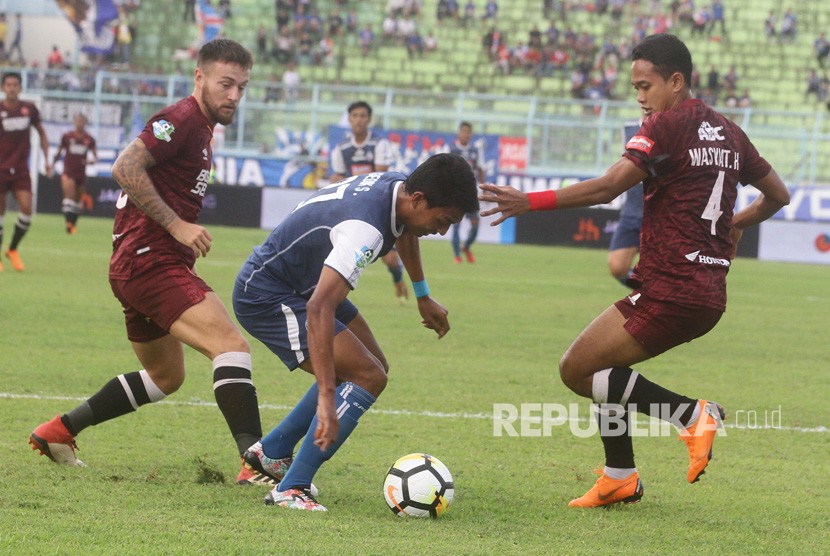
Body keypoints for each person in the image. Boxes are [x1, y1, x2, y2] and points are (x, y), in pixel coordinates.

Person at [479, 34, 790, 508]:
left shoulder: (664, 126)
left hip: (671, 287)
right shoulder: (729, 131)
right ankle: (619, 476)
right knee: (609, 370)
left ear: (676, 81)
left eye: (646, 86)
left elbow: (608, 188)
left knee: (577, 369)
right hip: (708, 292)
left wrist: (530, 201)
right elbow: (779, 195)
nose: (640, 97)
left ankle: (691, 416)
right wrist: (735, 223)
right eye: (635, 88)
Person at [29, 38, 273, 486]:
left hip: (135, 266)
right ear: (199, 77)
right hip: (150, 262)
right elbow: (125, 166)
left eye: (241, 86)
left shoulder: (201, 129)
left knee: (166, 375)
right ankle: (257, 465)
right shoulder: (180, 119)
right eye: (225, 84)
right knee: (232, 347)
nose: (234, 96)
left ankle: (58, 431)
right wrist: (177, 224)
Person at [234, 153, 479, 511]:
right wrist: (326, 396)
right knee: (366, 377)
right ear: (419, 200)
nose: (442, 231)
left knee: (375, 364)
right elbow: (319, 308)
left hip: (304, 282)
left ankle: (272, 452)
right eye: (442, 221)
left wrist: (422, 294)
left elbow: (406, 229)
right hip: (269, 294)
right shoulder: (365, 228)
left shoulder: (399, 188)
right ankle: (292, 488)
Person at [330, 100, 408, 302]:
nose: (358, 120)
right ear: (349, 119)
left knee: (390, 259)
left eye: (363, 116)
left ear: (369, 119)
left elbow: (380, 177)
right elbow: (338, 176)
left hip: (377, 205)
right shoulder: (341, 148)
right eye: (354, 116)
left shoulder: (378, 144)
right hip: (353, 206)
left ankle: (398, 277)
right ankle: (332, 295)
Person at [0, 71, 51, 273]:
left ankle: (12, 249)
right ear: (3, 88)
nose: (12, 88)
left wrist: (47, 160)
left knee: (27, 210)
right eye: (8, 84)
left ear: (20, 87)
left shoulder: (29, 109)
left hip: (21, 170)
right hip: (0, 169)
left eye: (15, 84)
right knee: (1, 214)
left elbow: (42, 133)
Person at [608, 122, 643, 287]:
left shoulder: (672, 127)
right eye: (640, 93)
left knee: (661, 267)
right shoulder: (629, 128)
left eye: (647, 93)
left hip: (661, 212)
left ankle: (660, 302)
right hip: (632, 210)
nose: (642, 98)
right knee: (617, 266)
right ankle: (652, 295)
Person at [52, 113, 98, 234]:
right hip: (68, 172)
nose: (79, 123)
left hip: (81, 174)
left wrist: (90, 161)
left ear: (85, 123)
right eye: (77, 121)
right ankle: (68, 223)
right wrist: (52, 163)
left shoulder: (89, 139)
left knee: (78, 201)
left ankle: (72, 224)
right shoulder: (67, 137)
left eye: (82, 121)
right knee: (70, 195)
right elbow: (59, 151)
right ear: (74, 122)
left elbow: (95, 157)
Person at [447, 121, 485, 263]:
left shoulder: (475, 151)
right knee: (456, 224)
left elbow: (480, 169)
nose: (465, 134)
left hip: (470, 193)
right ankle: (457, 256)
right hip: (455, 194)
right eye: (463, 131)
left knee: (475, 224)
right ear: (459, 133)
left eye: (468, 132)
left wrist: (485, 189)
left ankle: (466, 246)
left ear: (471, 134)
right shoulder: (451, 149)